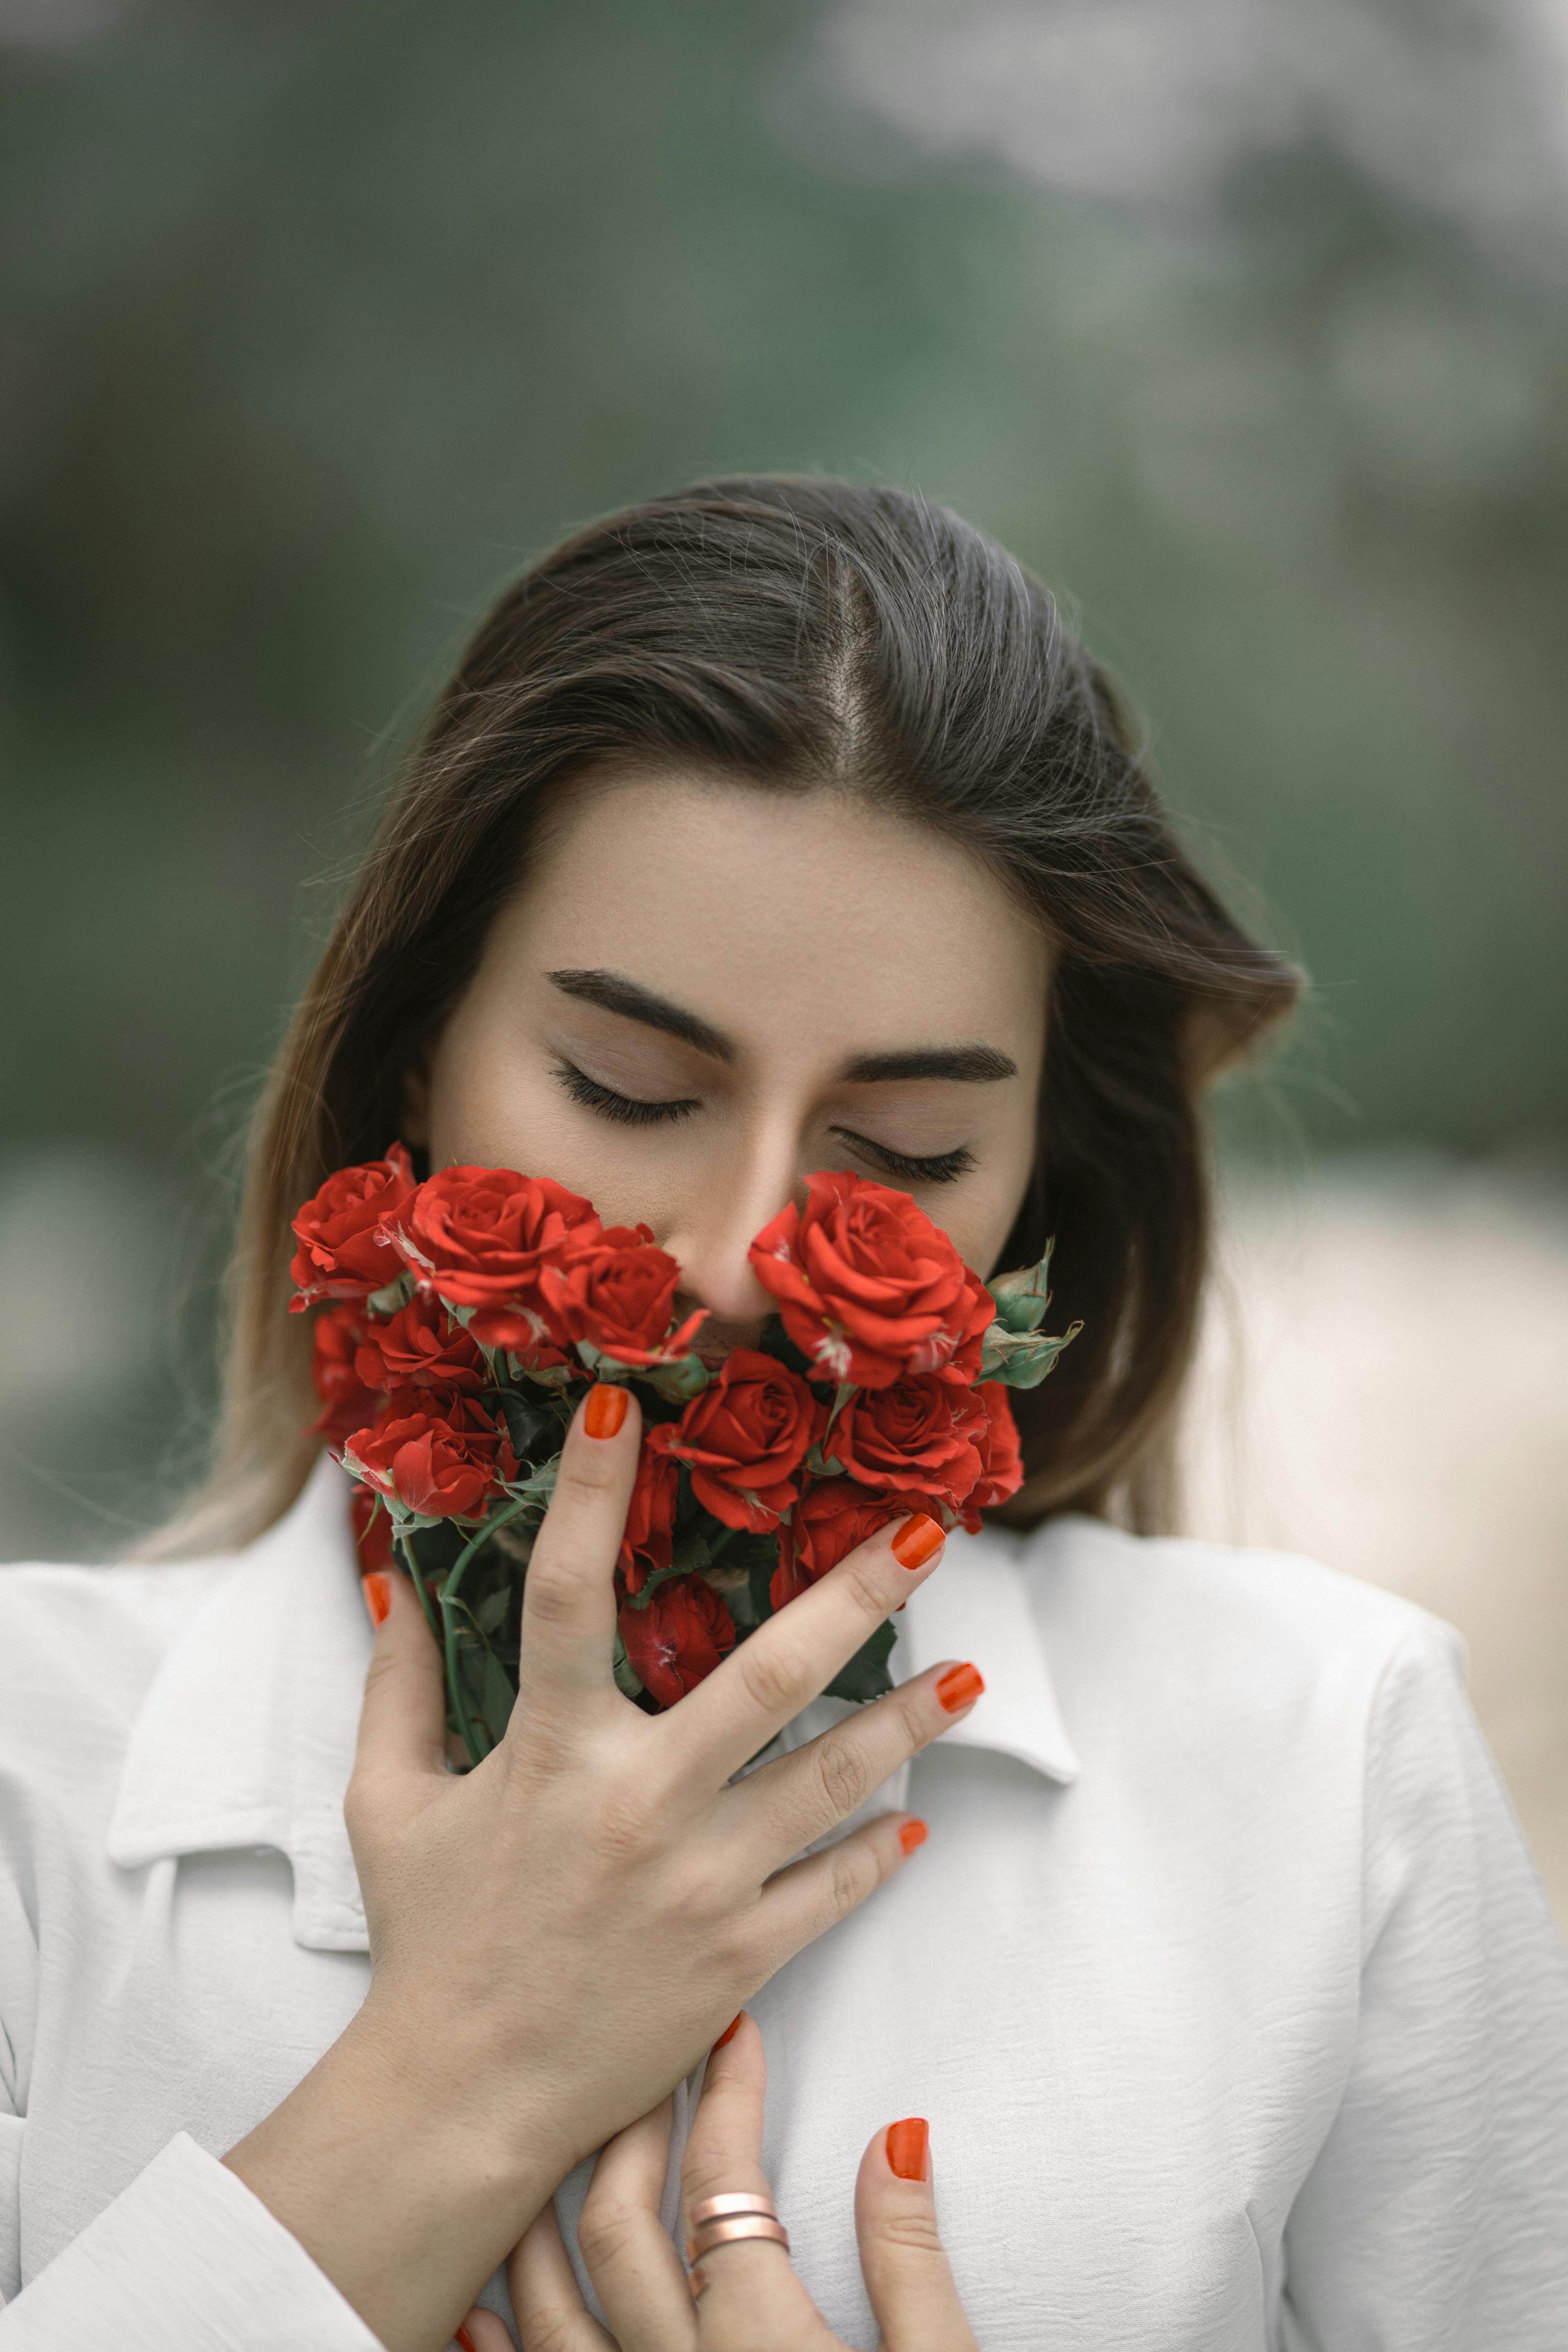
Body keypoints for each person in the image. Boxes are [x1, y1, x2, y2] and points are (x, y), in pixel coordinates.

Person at [1, 479, 1564, 2352]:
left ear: (1034, 1187)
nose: (744, 1254)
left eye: (904, 1150)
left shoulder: (1323, 1761)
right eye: (626, 1084)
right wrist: (459, 2075)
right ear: (415, 1045)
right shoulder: (31, 1773)